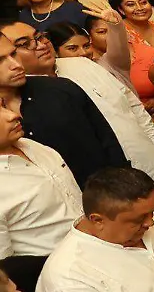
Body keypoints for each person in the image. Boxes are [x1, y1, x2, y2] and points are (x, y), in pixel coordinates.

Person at [0, 16, 154, 200]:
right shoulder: (22, 108)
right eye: (24, 44)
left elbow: (130, 106)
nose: (41, 45)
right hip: (91, 198)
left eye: (39, 37)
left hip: (144, 166)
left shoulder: (80, 67)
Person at [0, 31, 128, 187]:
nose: (16, 65)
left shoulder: (60, 89)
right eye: (0, 61)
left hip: (106, 191)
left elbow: (107, 141)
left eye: (13, 54)